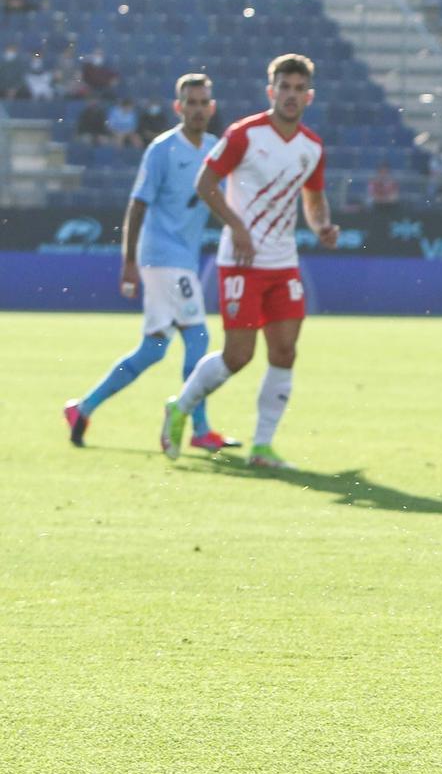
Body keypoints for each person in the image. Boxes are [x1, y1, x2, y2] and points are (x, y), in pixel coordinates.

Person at [160, 53, 338, 469]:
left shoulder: (312, 147)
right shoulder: (244, 134)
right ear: (270, 90)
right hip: (241, 262)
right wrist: (237, 227)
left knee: (285, 352)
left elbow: (313, 198)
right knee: (238, 356)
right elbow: (204, 183)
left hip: (283, 262)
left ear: (308, 96)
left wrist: (322, 225)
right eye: (284, 87)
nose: (290, 96)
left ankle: (262, 446)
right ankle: (180, 406)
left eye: (298, 89)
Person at [64, 74, 240, 453]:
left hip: (182, 259)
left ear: (212, 108)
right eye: (189, 102)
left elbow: (225, 202)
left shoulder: (214, 149)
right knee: (198, 336)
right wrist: (129, 262)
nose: (197, 109)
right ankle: (199, 426)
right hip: (162, 256)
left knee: (153, 350)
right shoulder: (162, 150)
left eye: (203, 102)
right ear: (178, 107)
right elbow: (138, 204)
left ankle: (83, 408)